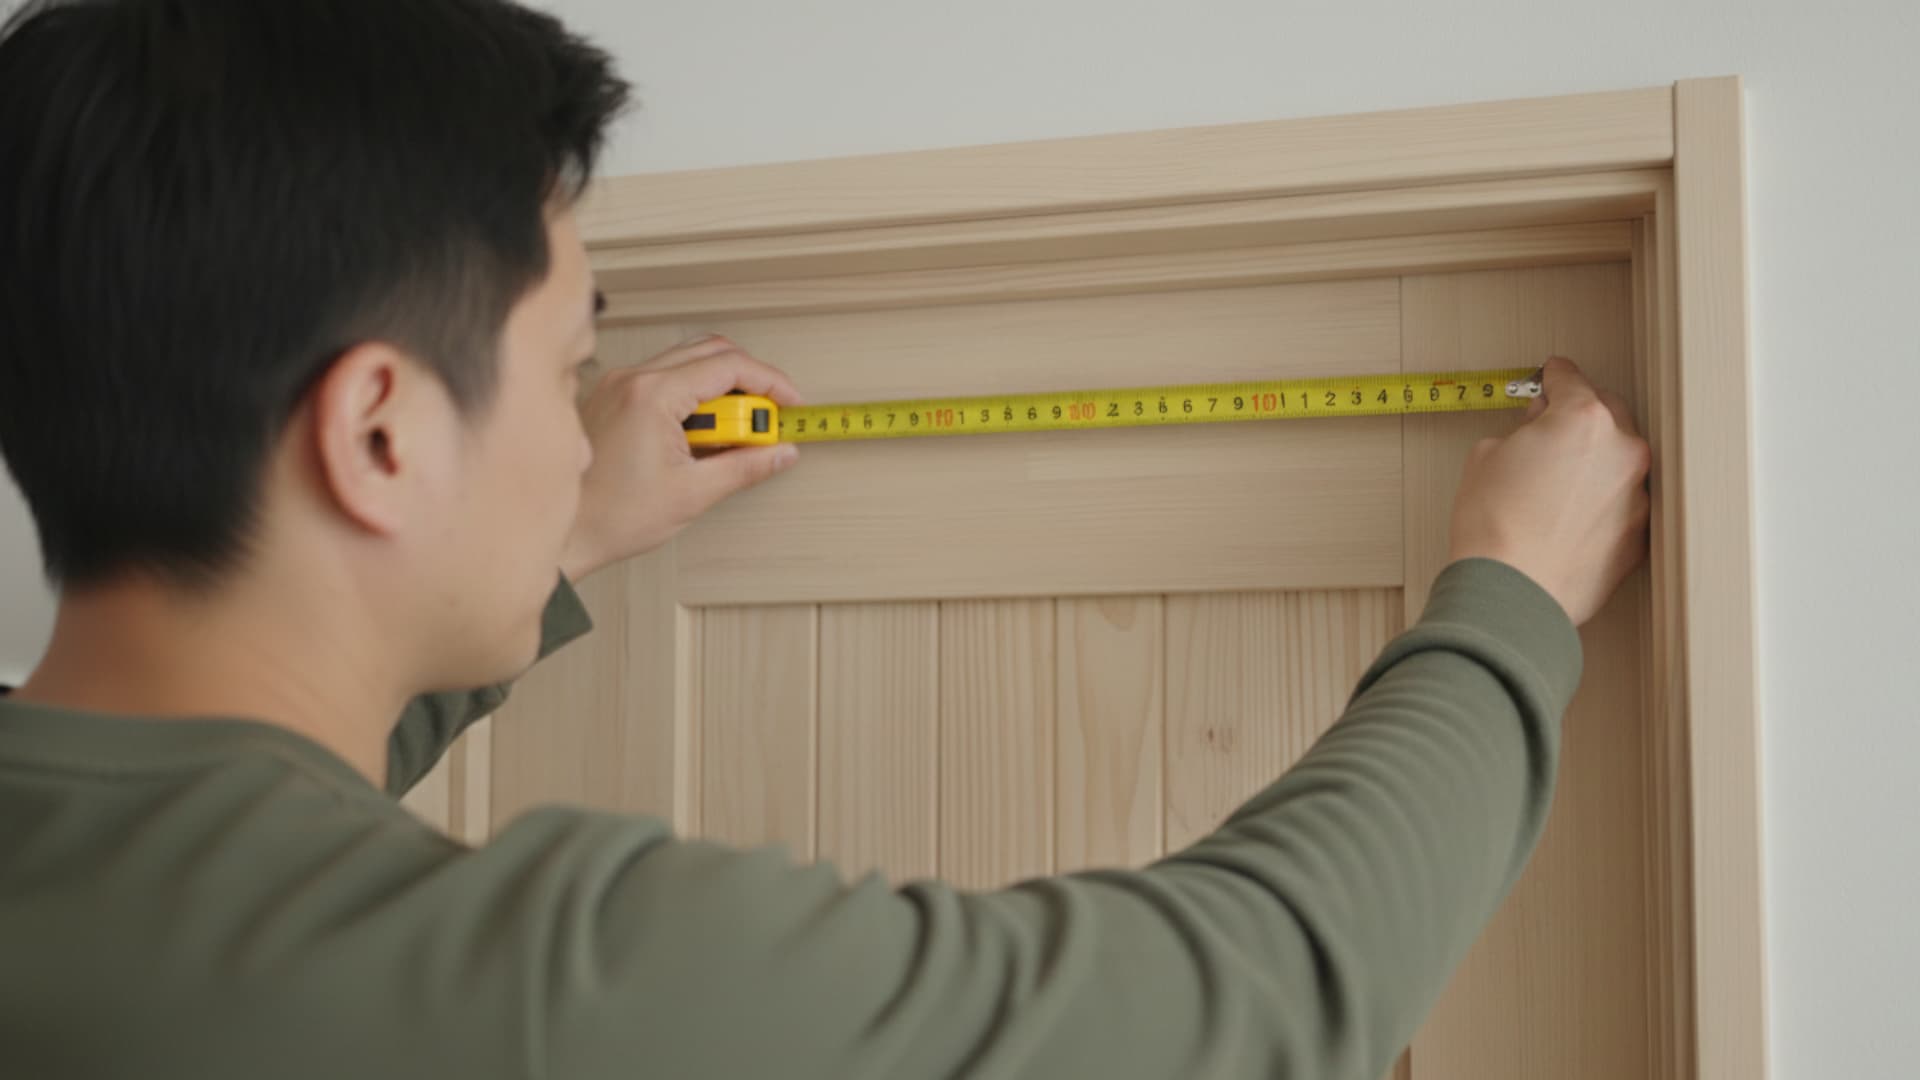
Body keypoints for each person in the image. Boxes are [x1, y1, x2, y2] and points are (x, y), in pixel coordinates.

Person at [0, 0, 1652, 1076]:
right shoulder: (549, 988)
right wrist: (1509, 600)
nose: (580, 421)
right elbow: (1259, 1002)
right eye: (566, 368)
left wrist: (548, 538)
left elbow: (231, 843)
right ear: (381, 434)